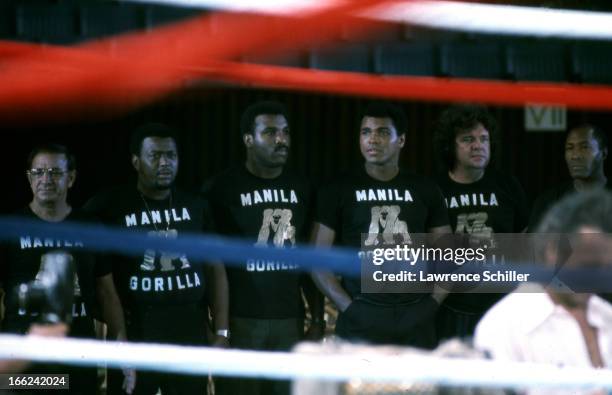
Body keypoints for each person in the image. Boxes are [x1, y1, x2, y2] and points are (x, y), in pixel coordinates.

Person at [84, 123, 227, 395]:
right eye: (155, 155)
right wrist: (114, 330)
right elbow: (91, 270)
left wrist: (222, 331)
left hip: (189, 329)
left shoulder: (196, 205)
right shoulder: (110, 205)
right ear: (136, 161)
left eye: (171, 155)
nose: (165, 163)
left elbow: (215, 268)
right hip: (136, 328)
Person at [202, 100, 324, 395]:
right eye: (269, 132)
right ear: (248, 139)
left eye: (285, 132)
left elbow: (310, 258)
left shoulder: (302, 186)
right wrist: (218, 329)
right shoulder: (220, 189)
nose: (280, 139)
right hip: (241, 320)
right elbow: (208, 264)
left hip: (290, 320)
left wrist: (318, 318)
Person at [311, 101, 451, 348]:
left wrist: (431, 305)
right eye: (366, 132)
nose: (372, 139)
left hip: (415, 312)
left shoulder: (425, 188)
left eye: (383, 132)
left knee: (418, 387)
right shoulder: (338, 189)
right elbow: (317, 258)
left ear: (402, 140)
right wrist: (350, 308)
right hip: (362, 312)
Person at [0, 144, 128, 394]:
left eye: (55, 172)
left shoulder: (89, 228)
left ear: (71, 178)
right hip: (23, 357)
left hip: (76, 355)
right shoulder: (10, 229)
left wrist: (121, 344)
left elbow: (107, 292)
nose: (46, 179)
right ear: (29, 178)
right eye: (39, 172)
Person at [475, 190, 612, 395]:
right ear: (553, 250)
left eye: (606, 269)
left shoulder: (606, 315)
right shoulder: (503, 328)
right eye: (588, 267)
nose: (595, 280)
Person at [432, 104, 529, 341]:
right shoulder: (434, 190)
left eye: (483, 139)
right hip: (451, 308)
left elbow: (524, 242)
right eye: (467, 139)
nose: (477, 145)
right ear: (450, 145)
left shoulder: (507, 185)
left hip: (500, 307)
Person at [528, 124, 608, 230]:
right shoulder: (548, 201)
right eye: (570, 148)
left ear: (603, 154)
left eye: (585, 147)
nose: (575, 155)